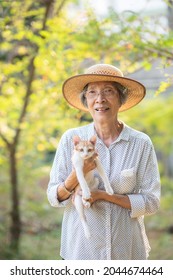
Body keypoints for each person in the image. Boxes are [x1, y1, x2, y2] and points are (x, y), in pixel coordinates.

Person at [47, 64, 161, 260]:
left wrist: (103, 195)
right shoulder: (71, 139)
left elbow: (151, 202)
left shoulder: (140, 143)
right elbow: (53, 196)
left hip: (127, 252)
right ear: (86, 100)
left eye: (108, 91)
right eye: (92, 92)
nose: (100, 99)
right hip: (82, 251)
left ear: (120, 99)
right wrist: (76, 175)